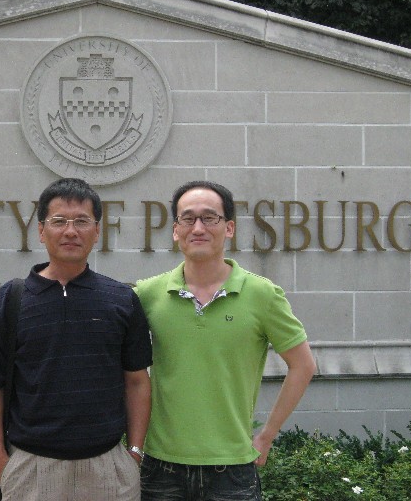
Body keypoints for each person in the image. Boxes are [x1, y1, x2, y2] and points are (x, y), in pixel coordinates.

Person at [134, 180, 316, 501]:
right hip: (161, 468)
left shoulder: (262, 295)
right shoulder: (147, 295)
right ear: (175, 230)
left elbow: (303, 365)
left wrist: (267, 436)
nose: (198, 228)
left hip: (232, 470)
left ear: (229, 228)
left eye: (210, 218)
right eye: (188, 218)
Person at [0, 177, 152, 501]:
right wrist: (1, 462)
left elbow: (137, 381)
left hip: (108, 470)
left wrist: (135, 453)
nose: (71, 231)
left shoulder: (122, 299)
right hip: (31, 470)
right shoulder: (9, 301)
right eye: (59, 221)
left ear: (97, 231)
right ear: (41, 231)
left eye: (82, 221)